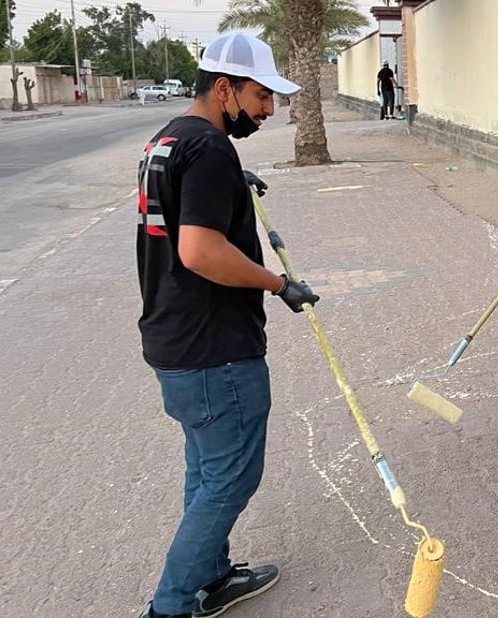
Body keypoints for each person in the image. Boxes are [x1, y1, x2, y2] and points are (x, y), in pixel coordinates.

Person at [135, 31, 319, 618]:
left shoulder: (168, 139)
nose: (269, 110)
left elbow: (182, 210)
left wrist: (234, 189)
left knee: (207, 469)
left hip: (175, 342)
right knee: (229, 481)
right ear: (225, 88)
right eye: (262, 96)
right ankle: (168, 608)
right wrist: (278, 283)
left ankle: (210, 578)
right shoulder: (211, 149)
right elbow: (199, 251)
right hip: (215, 348)